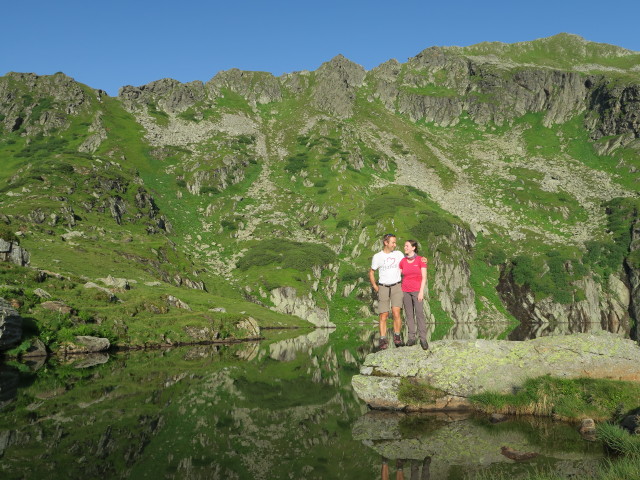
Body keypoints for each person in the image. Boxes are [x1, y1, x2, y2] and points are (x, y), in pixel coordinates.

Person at [369, 233, 405, 350]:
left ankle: (397, 337)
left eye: (395, 242)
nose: (395, 245)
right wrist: (375, 286)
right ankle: (383, 339)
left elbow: (407, 262)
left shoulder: (399, 254)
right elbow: (371, 272)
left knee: (396, 313)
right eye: (393, 242)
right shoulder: (377, 257)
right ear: (386, 243)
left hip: (396, 286)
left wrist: (420, 259)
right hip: (383, 287)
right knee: (383, 314)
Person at [399, 240, 429, 350]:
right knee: (409, 315)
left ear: (413, 247)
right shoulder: (403, 261)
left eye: (407, 246)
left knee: (419, 313)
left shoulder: (421, 260)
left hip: (417, 290)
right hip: (405, 290)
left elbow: (424, 277)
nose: (405, 247)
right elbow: (398, 273)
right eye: (405, 245)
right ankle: (411, 338)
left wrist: (421, 291)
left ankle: (423, 339)